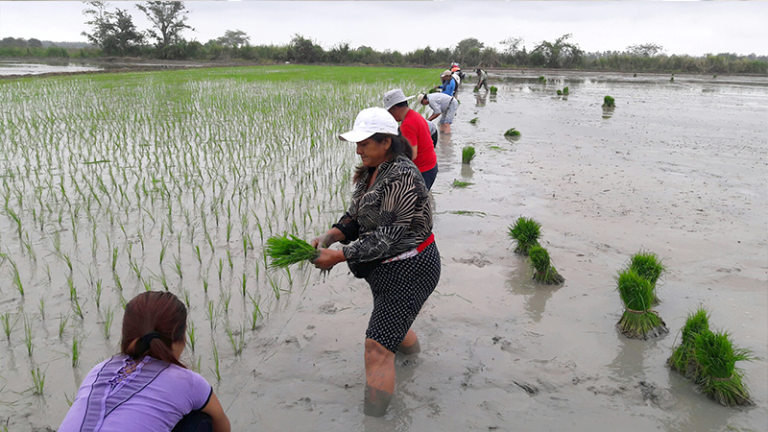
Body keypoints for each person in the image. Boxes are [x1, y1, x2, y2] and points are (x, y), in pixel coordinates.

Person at [310, 107, 440, 417]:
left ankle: (375, 421)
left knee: (376, 348)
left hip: (410, 269)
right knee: (393, 323)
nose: (358, 149)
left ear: (385, 142)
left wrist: (339, 256)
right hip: (384, 269)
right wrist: (330, 236)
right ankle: (413, 363)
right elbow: (356, 216)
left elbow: (387, 238)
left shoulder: (403, 175)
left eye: (364, 143)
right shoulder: (372, 170)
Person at [58, 292, 231, 432]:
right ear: (180, 339)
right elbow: (222, 424)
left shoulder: (100, 369)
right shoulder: (188, 382)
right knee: (200, 421)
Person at [383, 88, 438, 190]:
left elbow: (411, 154)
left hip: (423, 170)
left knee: (415, 204)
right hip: (431, 165)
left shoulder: (407, 124)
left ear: (395, 108)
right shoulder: (414, 114)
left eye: (389, 112)